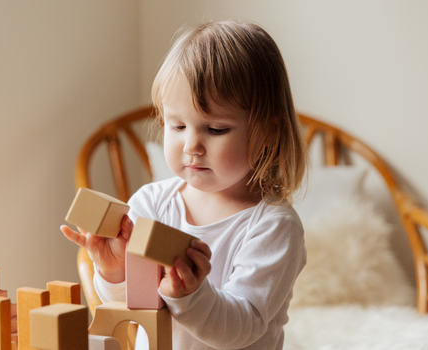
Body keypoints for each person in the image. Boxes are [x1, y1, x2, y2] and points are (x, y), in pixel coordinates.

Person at [61, 20, 308, 349]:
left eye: (216, 129)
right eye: (177, 125)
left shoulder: (273, 227)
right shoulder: (150, 204)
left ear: (269, 131)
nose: (192, 145)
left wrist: (193, 296)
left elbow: (242, 327)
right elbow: (133, 307)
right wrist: (113, 271)